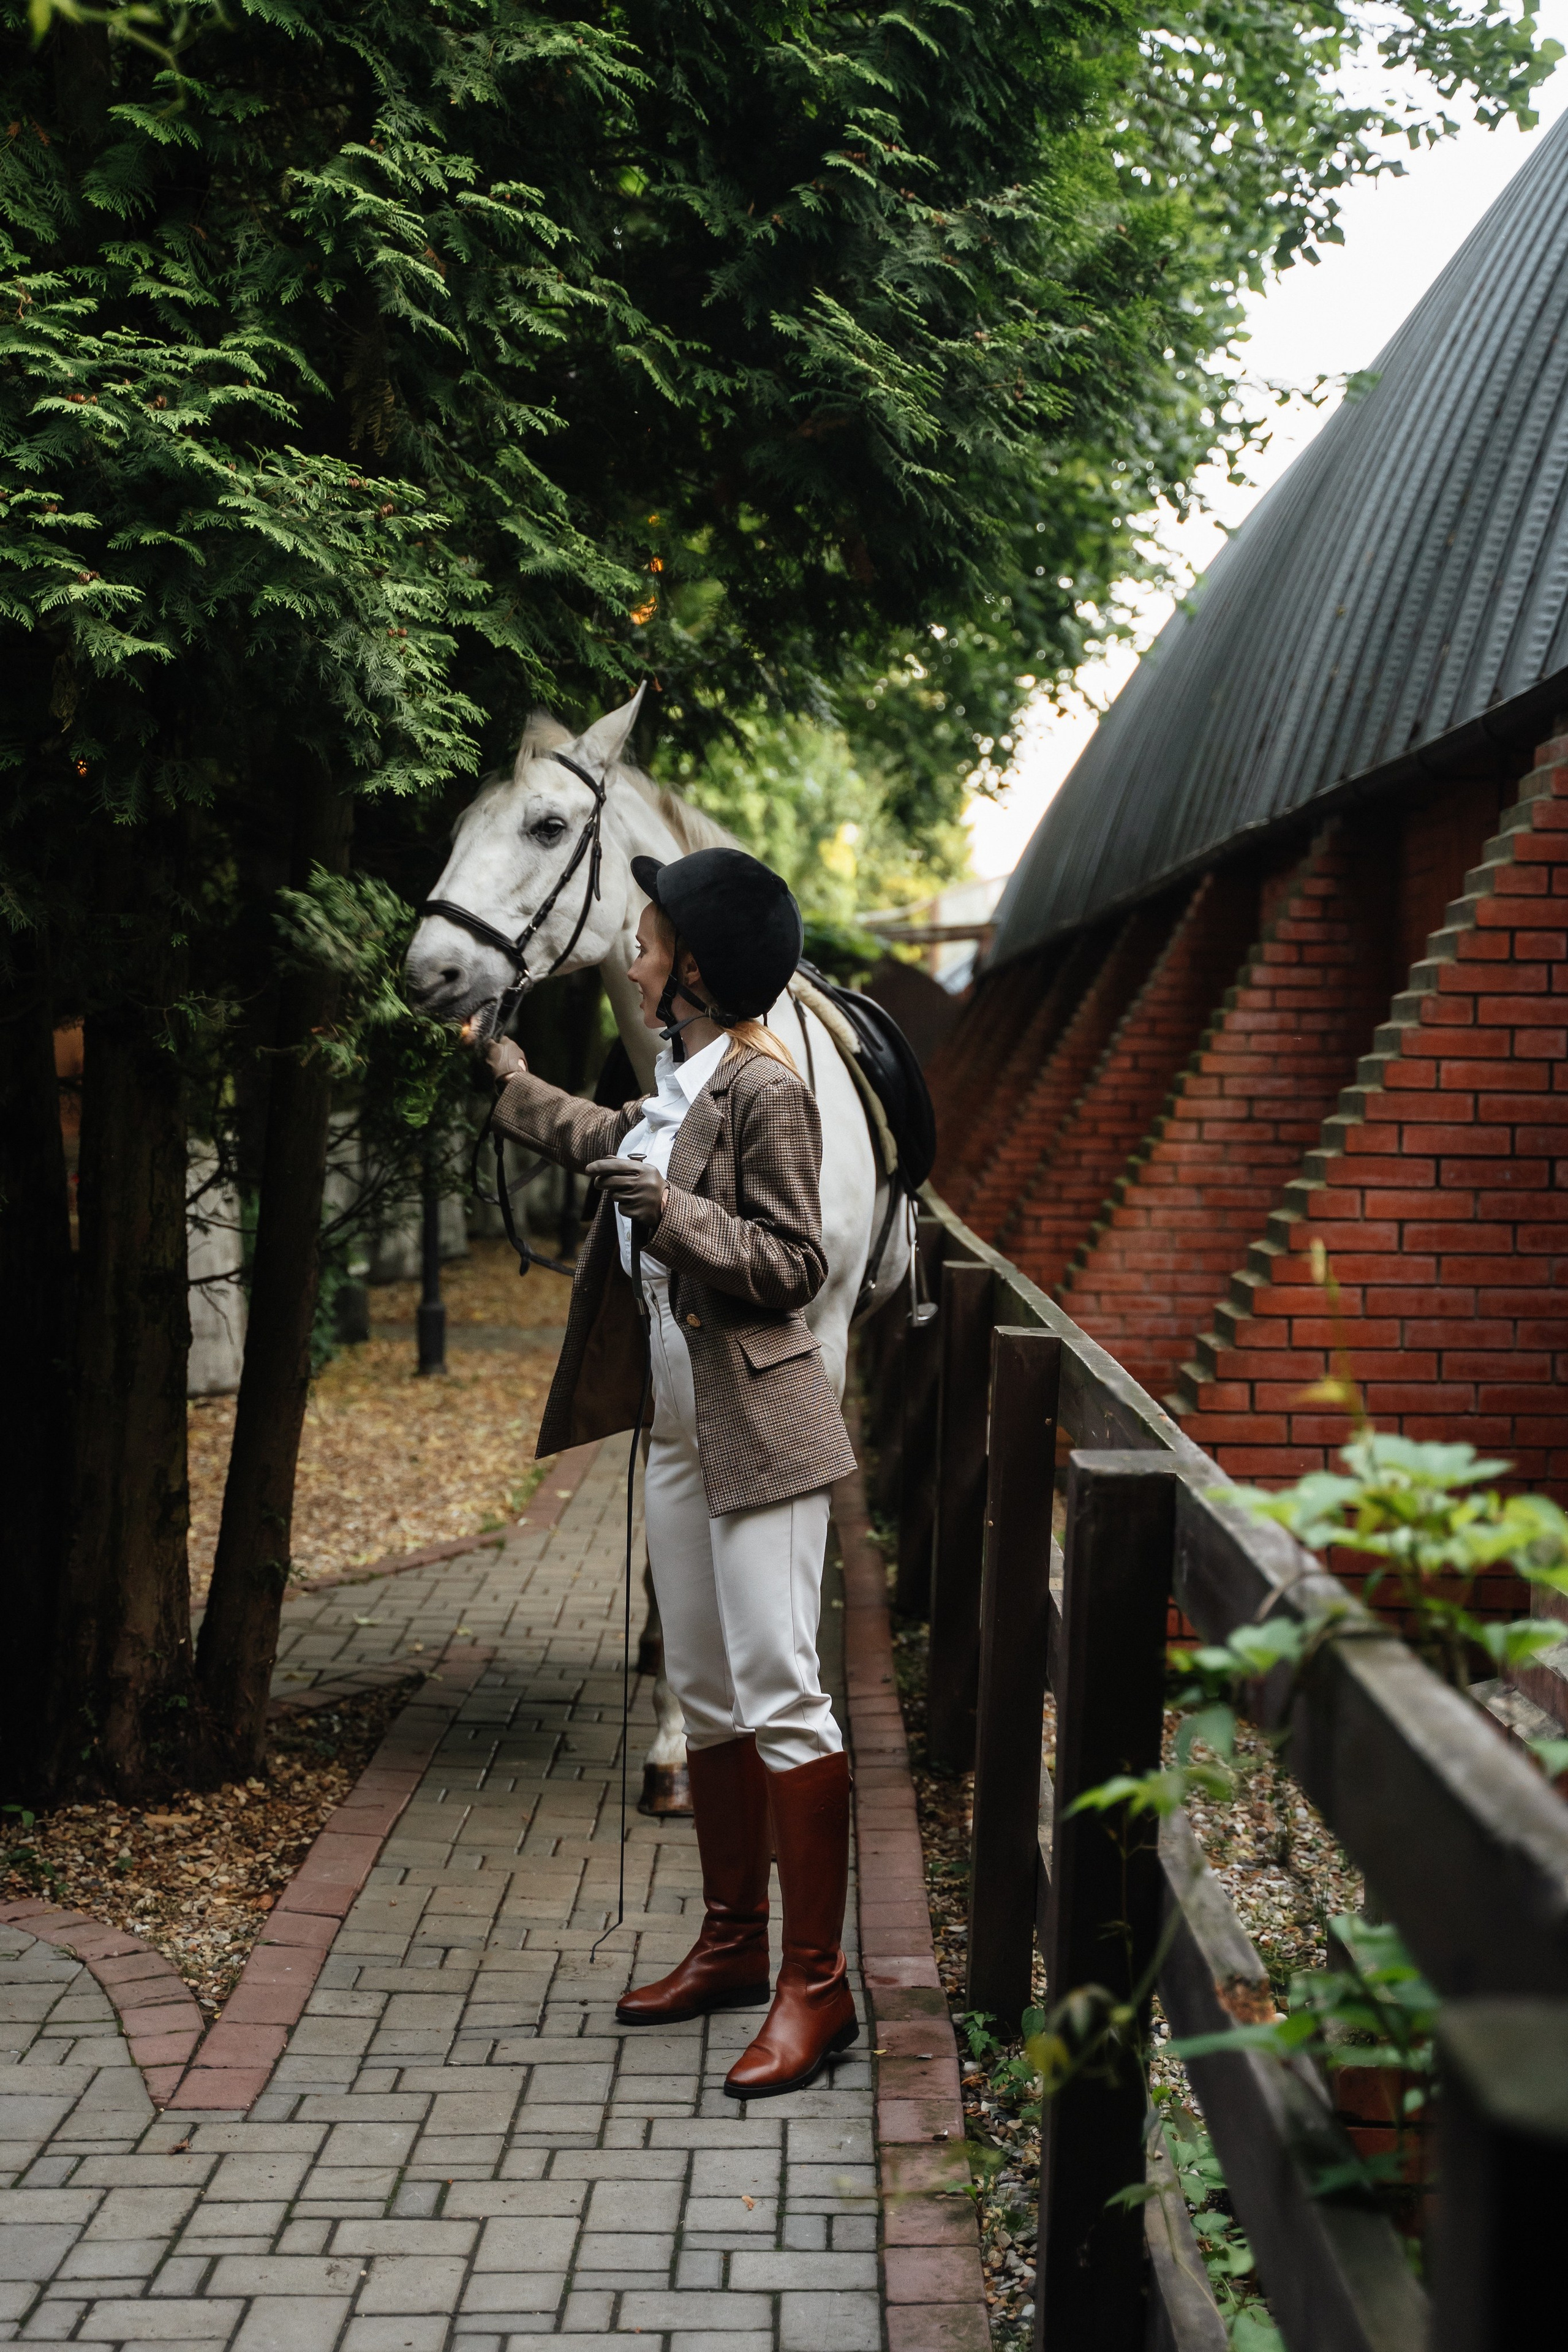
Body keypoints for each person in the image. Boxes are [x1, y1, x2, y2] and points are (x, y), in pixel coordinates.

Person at [481, 845, 859, 2098]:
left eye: (646, 942)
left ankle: (819, 1987)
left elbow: (796, 1261)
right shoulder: (676, 1070)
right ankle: (734, 1946)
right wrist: (514, 1089)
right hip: (681, 1437)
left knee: (780, 1693)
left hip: (761, 1431)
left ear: (693, 970)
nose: (633, 957)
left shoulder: (767, 1088)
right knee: (701, 1693)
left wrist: (668, 1216)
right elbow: (615, 1139)